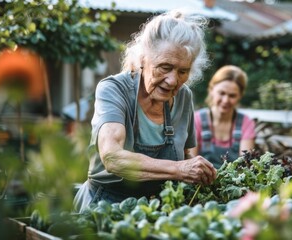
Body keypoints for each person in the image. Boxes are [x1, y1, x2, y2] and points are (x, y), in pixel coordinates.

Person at [74, 10, 217, 212]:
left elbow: (188, 157)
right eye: (165, 67)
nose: (173, 80)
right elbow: (113, 158)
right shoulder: (113, 90)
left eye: (183, 71)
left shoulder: (184, 96)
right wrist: (178, 169)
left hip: (156, 209)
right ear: (142, 59)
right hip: (104, 206)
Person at [190, 65, 256, 169]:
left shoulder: (246, 123)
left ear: (240, 96)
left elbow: (246, 165)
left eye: (232, 95)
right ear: (211, 90)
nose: (225, 100)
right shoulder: (196, 120)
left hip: (235, 182)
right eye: (222, 93)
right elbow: (191, 162)